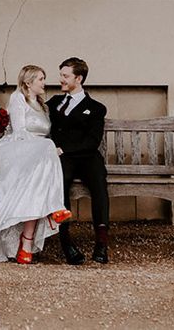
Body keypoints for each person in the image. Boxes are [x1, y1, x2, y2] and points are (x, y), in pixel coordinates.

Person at [0, 65, 72, 264]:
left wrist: (47, 149)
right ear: (28, 82)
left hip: (38, 156)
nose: (44, 82)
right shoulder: (18, 98)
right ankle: (55, 205)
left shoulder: (43, 105)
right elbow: (19, 132)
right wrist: (46, 148)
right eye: (40, 79)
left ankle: (26, 245)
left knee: (35, 187)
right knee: (47, 147)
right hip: (15, 151)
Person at [48, 57, 110, 265]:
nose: (61, 80)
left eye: (65, 76)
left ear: (79, 78)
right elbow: (32, 110)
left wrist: (64, 148)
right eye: (61, 76)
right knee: (61, 182)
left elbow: (92, 141)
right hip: (63, 159)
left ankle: (101, 244)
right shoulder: (54, 103)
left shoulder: (96, 108)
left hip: (87, 157)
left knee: (99, 184)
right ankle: (66, 242)